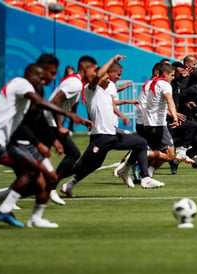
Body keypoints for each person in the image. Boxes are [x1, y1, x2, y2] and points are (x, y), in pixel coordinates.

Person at [0, 64, 92, 228]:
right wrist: (67, 114)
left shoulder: (30, 93)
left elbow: (38, 119)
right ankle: (4, 207)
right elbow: (35, 110)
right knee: (34, 174)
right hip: (1, 141)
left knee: (39, 177)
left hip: (3, 142)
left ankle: (18, 212)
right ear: (31, 74)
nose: (46, 80)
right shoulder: (22, 84)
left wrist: (53, 140)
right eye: (43, 77)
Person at [60, 55, 165, 196]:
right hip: (100, 136)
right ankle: (53, 179)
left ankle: (145, 178)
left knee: (140, 143)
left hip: (112, 134)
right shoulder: (90, 89)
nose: (109, 80)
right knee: (82, 166)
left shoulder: (106, 91)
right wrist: (112, 61)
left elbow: (111, 103)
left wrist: (121, 110)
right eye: (106, 77)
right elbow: (97, 77)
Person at [45, 55, 99, 204]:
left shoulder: (76, 82)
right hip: (48, 123)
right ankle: (50, 187)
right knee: (73, 153)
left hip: (49, 123)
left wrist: (81, 120)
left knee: (37, 160)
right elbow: (55, 102)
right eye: (94, 70)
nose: (96, 74)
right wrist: (60, 126)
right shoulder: (74, 83)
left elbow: (64, 107)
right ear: (85, 68)